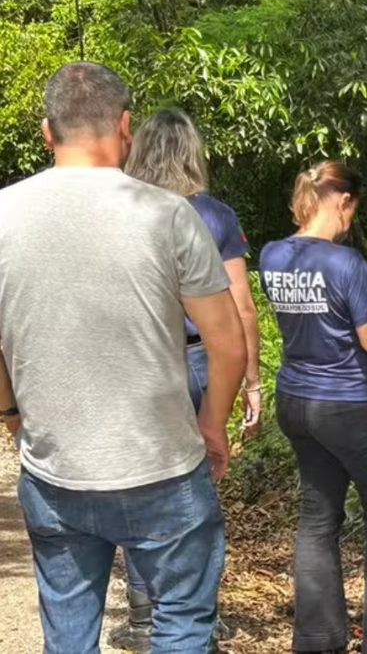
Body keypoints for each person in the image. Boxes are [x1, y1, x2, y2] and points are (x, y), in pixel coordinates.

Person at [0, 62, 246, 652]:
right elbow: (228, 341)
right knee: (181, 625)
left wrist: (10, 413)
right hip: (162, 468)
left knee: (68, 633)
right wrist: (211, 421)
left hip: (56, 471)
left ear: (46, 131)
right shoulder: (167, 214)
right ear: (125, 125)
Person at [102, 107, 262, 652]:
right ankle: (196, 613)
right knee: (195, 486)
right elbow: (240, 306)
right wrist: (252, 380)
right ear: (194, 154)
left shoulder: (119, 208)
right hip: (201, 360)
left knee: (137, 481)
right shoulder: (214, 216)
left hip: (138, 360)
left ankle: (145, 617)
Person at [260, 161, 367, 653]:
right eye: (354, 207)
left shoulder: (273, 255)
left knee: (317, 518)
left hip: (296, 399)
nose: (353, 217)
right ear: (343, 201)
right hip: (353, 403)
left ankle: (317, 640)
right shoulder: (345, 262)